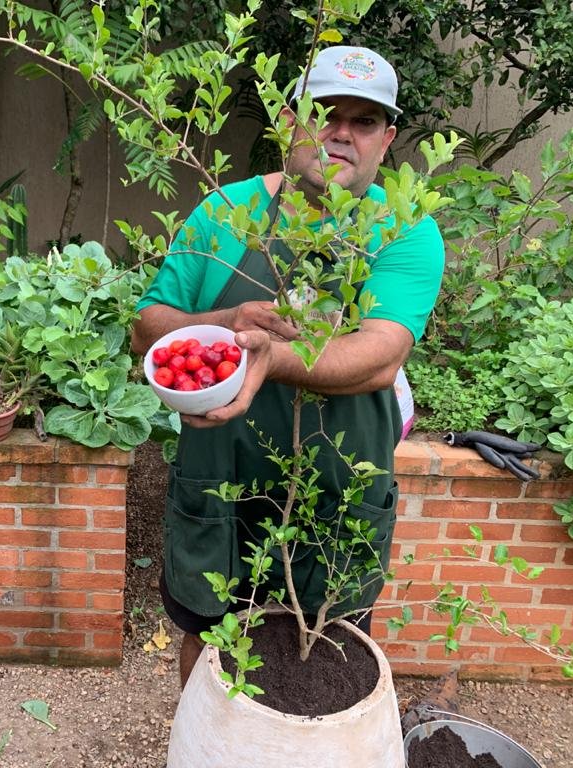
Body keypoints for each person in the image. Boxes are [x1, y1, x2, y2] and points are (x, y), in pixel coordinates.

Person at [130, 45, 445, 688]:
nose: (340, 133)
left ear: (385, 140)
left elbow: (380, 356)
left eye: (363, 121)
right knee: (207, 633)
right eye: (323, 112)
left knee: (328, 647)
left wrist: (269, 356)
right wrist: (227, 323)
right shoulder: (223, 213)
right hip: (221, 478)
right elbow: (148, 325)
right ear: (288, 123)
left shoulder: (404, 231)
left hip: (338, 487)